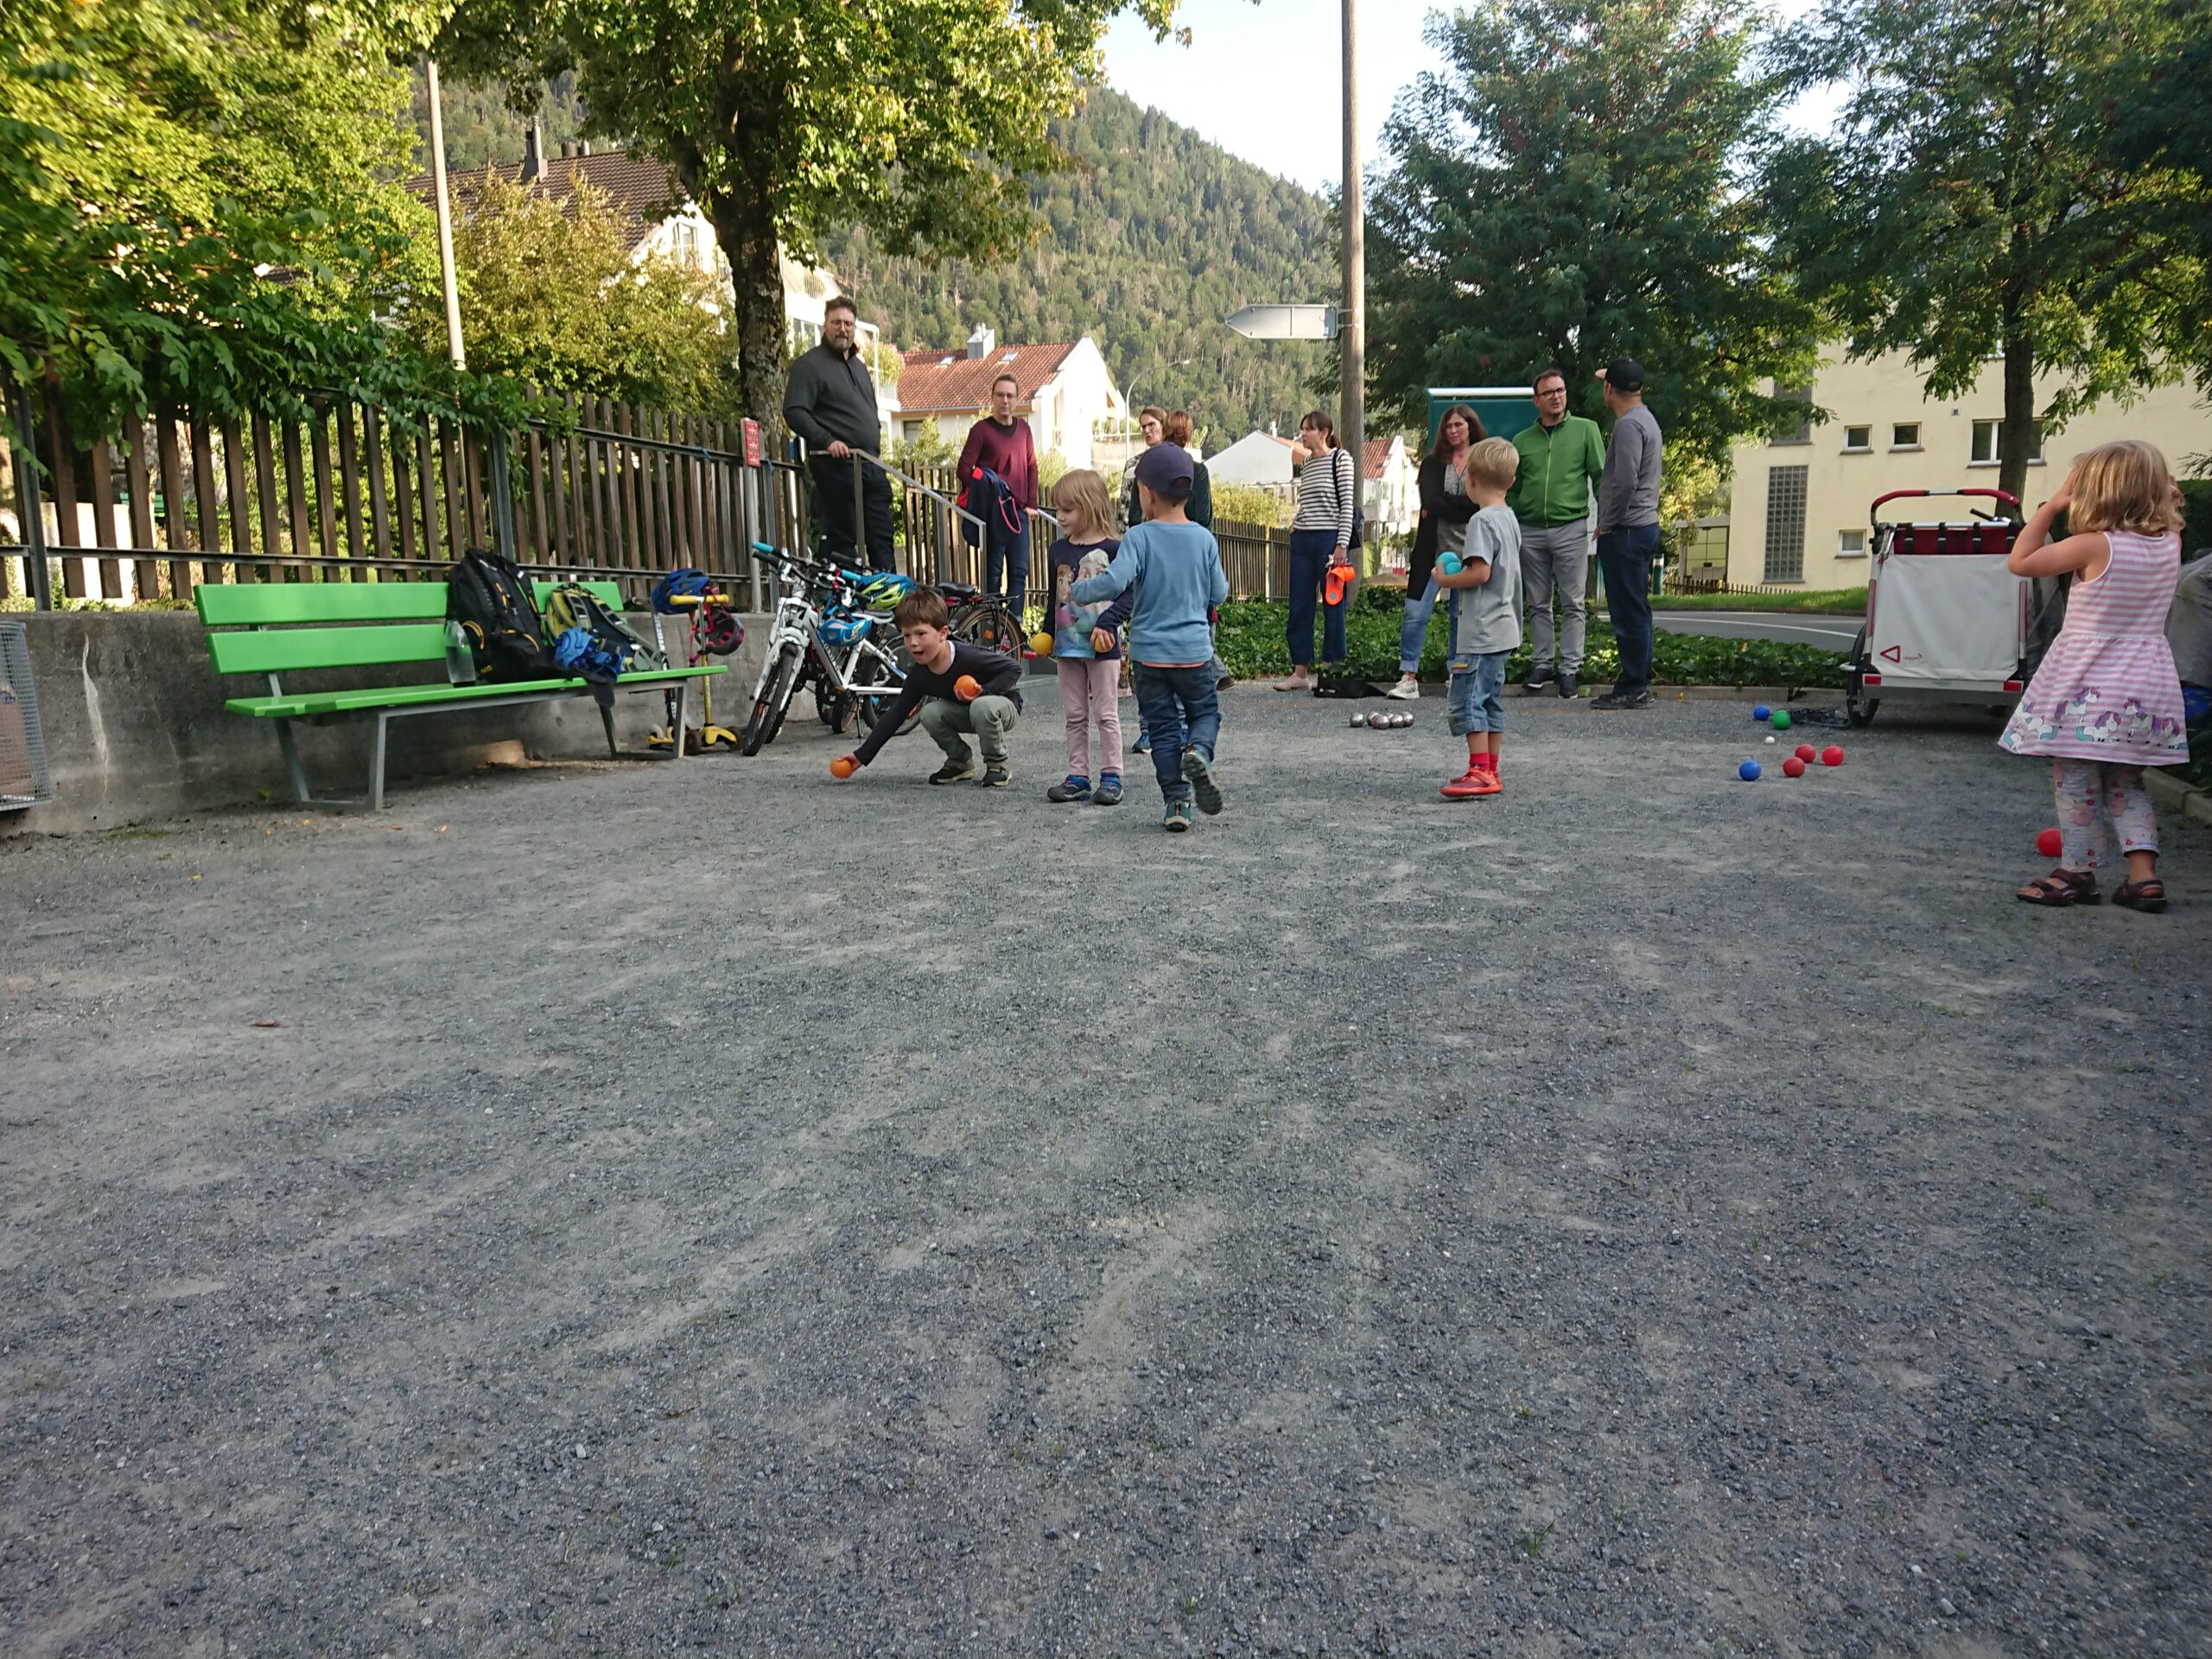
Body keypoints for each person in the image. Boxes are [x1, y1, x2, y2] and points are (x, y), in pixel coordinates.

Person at [1999, 440, 2189, 910]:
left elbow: (2021, 561)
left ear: (2096, 493)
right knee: (2127, 782)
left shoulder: (2093, 545)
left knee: (2076, 780)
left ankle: (2077, 873)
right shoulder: (2169, 544)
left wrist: (2051, 506)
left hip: (2090, 690)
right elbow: (2165, 514)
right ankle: (2143, 877)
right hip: (2146, 689)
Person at [1071, 443, 1230, 832]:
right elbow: (1219, 593)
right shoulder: (1203, 539)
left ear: (1148, 493)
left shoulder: (1139, 537)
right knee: (1204, 714)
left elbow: (1114, 582)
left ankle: (1177, 802)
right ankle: (1199, 751)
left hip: (1149, 657)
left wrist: (1080, 591)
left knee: (1161, 730)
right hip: (1193, 653)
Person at [831, 588, 1022, 787]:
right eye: (906, 635)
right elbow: (895, 715)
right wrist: (861, 756)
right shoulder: (919, 675)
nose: (913, 643)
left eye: (921, 634)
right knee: (929, 713)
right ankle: (960, 762)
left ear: (943, 634)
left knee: (981, 707)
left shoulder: (968, 656)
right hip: (968, 712)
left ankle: (997, 764)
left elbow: (1014, 669)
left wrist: (983, 690)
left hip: (1002, 707)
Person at [1429, 439, 1524, 798]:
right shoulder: (1509, 518)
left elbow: (1480, 573)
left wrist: (1446, 580)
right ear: (1511, 481)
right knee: (1491, 700)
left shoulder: (1481, 521)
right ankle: (1491, 769)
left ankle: (1479, 771)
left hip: (1481, 630)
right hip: (1504, 628)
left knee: (1469, 699)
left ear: (1470, 479)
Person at [1510, 369, 1608, 698]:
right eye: (1549, 392)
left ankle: (1569, 670)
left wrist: (1605, 517)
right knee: (1537, 602)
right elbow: (1513, 485)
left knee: (1573, 602)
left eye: (1561, 390)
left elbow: (1601, 476)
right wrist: (1518, 510)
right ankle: (1542, 664)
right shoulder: (1522, 440)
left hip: (1571, 527)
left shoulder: (1586, 430)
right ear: (1536, 400)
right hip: (1531, 530)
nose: (1556, 396)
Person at [783, 296, 895, 571]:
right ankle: (846, 598)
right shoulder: (809, 365)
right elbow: (795, 411)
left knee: (882, 541)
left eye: (848, 324)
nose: (842, 329)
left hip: (871, 466)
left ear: (854, 328)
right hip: (837, 468)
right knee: (842, 545)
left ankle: (889, 597)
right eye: (836, 323)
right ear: (825, 325)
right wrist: (827, 441)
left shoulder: (859, 367)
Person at [1042, 468, 1131, 805]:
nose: (1060, 516)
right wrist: (1047, 633)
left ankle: (1112, 776)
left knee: (1106, 714)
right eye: (1058, 509)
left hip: (1103, 647)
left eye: (1068, 509)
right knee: (1075, 716)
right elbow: (1054, 596)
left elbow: (1129, 595)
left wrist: (1108, 624)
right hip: (1066, 646)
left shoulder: (1115, 549)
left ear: (1091, 506)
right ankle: (1078, 776)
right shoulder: (1057, 549)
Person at [1386, 404, 1484, 700]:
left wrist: (1446, 503)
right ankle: (1408, 677)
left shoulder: (1482, 461)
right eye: (1448, 426)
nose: (1452, 431)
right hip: (1432, 550)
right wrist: (1462, 504)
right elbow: (1431, 499)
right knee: (1416, 613)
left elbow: (1481, 503)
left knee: (1460, 615)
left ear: (1470, 426)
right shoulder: (1431, 464)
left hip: (1470, 549)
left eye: (1458, 425)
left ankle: (1457, 674)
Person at [1591, 358, 1663, 709]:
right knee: (1637, 608)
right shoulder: (1645, 418)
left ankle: (1633, 686)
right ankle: (1639, 681)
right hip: (1641, 526)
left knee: (1627, 612)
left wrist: (1609, 522)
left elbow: (1625, 481)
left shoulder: (1628, 426)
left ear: (1610, 389)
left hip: (1628, 529)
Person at [1274, 409, 1357, 693]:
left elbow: (1346, 505)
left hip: (1329, 541)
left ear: (1324, 432)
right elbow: (1307, 502)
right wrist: (1295, 525)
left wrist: (1341, 545)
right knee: (1299, 606)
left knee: (1333, 605)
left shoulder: (1340, 459)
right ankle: (1300, 672)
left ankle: (1331, 670)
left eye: (1308, 429)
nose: (1303, 434)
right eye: (1302, 429)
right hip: (1303, 540)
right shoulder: (1307, 464)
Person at [955, 372, 1039, 614]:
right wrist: (986, 489)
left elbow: (1032, 466)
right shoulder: (981, 431)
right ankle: (990, 625)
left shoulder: (1024, 429)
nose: (1005, 400)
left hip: (1019, 513)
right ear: (992, 397)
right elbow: (963, 469)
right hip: (994, 514)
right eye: (1000, 395)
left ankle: (1014, 626)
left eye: (1010, 396)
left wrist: (1032, 503)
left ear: (1017, 399)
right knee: (993, 573)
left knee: (1019, 572)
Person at [1162, 409, 1231, 694]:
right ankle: (1204, 673)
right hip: (1191, 552)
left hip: (1160, 550)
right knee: (1198, 613)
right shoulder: (1197, 471)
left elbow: (1136, 515)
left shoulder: (1152, 469)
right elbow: (1204, 518)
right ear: (1189, 434)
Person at [1122, 406, 1167, 528]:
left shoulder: (1177, 461)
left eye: (1151, 425)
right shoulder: (1133, 464)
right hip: (1138, 531)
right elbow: (1125, 503)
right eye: (1143, 427)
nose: (1146, 430)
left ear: (1164, 425)